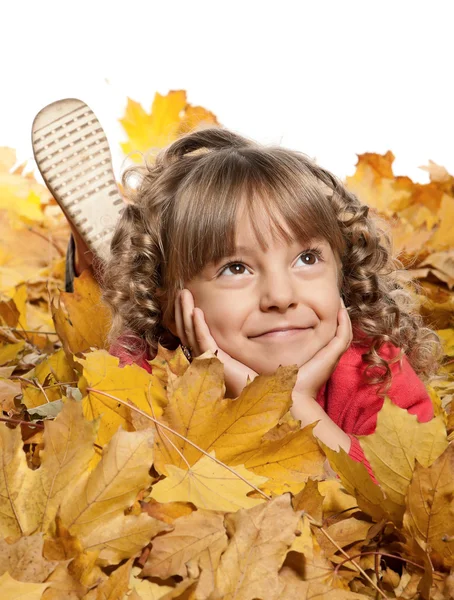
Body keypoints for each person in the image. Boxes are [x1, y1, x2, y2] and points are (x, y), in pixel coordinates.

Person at [32, 99, 442, 476]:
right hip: (155, 318)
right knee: (98, 340)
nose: (281, 297)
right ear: (171, 302)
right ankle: (99, 268)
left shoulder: (376, 369)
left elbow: (399, 497)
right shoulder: (147, 373)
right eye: (235, 267)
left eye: (307, 259)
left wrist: (292, 402)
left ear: (345, 272)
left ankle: (116, 255)